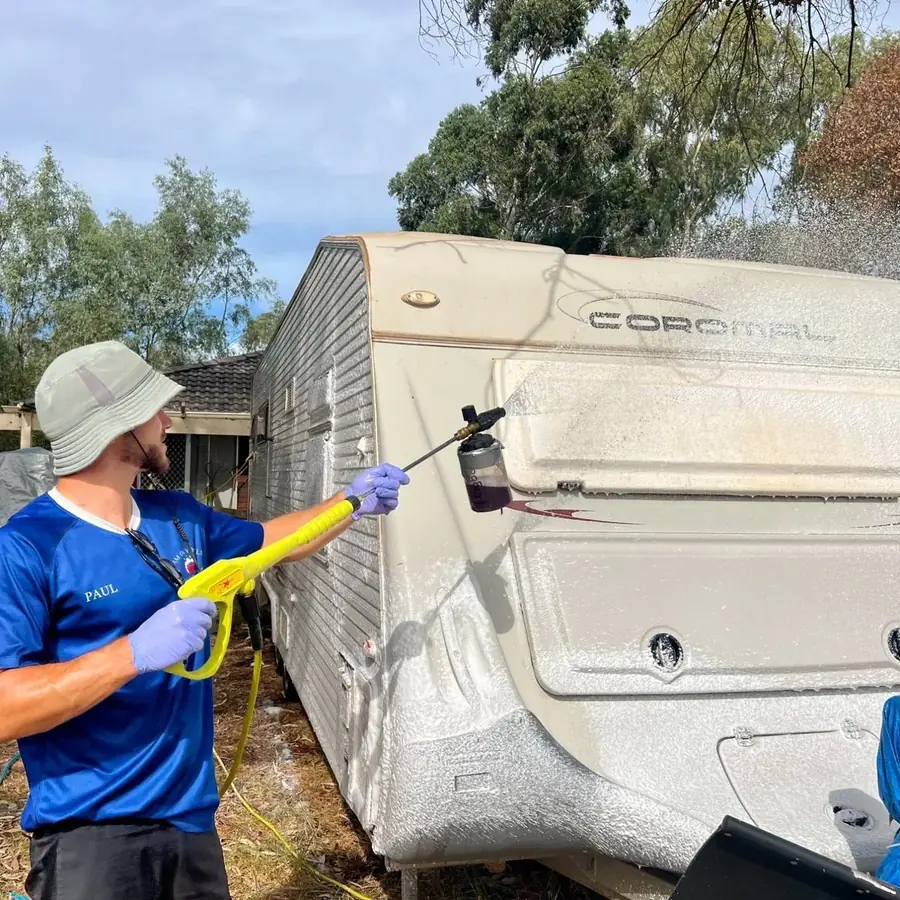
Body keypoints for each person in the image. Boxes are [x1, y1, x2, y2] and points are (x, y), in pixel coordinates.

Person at [0, 340, 410, 900]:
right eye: (153, 411)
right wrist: (132, 654)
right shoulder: (26, 547)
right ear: (116, 428)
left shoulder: (180, 517)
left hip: (190, 819)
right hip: (88, 833)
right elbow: (6, 708)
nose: (166, 421)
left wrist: (350, 503)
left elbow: (273, 544)